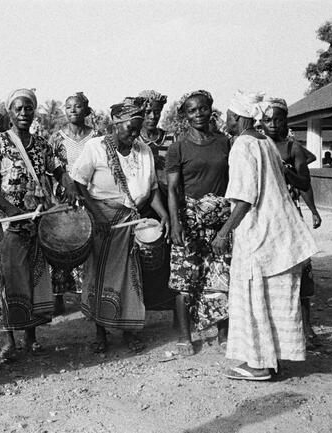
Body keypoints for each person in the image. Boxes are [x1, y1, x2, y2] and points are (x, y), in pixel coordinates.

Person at [215, 91, 319, 381]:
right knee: (274, 300)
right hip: (278, 235)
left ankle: (258, 364)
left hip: (259, 234)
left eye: (227, 116)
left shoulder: (243, 145)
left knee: (254, 297)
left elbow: (245, 199)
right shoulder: (265, 143)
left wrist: (224, 232)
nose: (225, 121)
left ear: (237, 118)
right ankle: (271, 361)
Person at [72, 96, 169, 353]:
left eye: (138, 128)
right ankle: (100, 333)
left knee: (131, 278)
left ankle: (129, 331)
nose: (135, 134)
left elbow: (153, 190)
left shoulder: (143, 151)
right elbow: (79, 184)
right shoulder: (95, 148)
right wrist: (98, 215)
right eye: (131, 128)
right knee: (100, 276)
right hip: (103, 221)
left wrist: (164, 215)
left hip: (131, 221)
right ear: (116, 125)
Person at [0, 88, 69, 361]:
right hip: (12, 223)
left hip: (37, 221)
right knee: (10, 279)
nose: (23, 113)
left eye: (28, 108)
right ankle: (10, 341)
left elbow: (59, 171)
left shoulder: (42, 144)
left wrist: (71, 189)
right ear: (10, 112)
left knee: (34, 279)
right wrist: (10, 209)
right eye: (18, 109)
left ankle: (31, 339)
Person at [166, 90, 231, 356]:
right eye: (192, 111)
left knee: (221, 275)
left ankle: (223, 333)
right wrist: (175, 222)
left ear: (211, 110)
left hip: (220, 221)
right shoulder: (178, 147)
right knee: (184, 279)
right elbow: (172, 190)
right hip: (189, 220)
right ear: (185, 115)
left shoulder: (225, 142)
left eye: (203, 109)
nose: (198, 114)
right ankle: (185, 337)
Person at [260, 97, 322, 348]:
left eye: (278, 119)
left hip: (288, 214)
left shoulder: (292, 148)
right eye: (267, 119)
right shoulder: (256, 144)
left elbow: (305, 184)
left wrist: (313, 210)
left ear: (285, 120)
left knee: (300, 268)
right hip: (264, 217)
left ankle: (306, 328)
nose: (273, 124)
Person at [49, 91, 98, 314]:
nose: (72, 111)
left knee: (87, 240)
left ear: (85, 110)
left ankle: (85, 294)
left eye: (77, 106)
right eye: (68, 107)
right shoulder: (57, 137)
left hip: (89, 192)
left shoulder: (96, 136)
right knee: (63, 242)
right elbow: (52, 170)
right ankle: (59, 295)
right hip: (65, 195)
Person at [136, 89, 175, 312]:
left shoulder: (170, 138)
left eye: (156, 112)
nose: (152, 116)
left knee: (164, 251)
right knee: (143, 251)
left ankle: (163, 300)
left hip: (166, 200)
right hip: (143, 204)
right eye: (148, 112)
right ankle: (143, 301)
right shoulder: (133, 139)